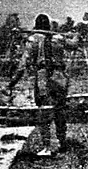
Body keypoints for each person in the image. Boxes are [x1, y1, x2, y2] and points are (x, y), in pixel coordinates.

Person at [5, 13, 79, 156]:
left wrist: (12, 82)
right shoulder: (58, 38)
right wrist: (75, 35)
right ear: (49, 26)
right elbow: (74, 45)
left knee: (44, 111)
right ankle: (62, 142)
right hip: (59, 78)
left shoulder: (32, 40)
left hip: (43, 78)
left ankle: (47, 145)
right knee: (59, 111)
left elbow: (23, 65)